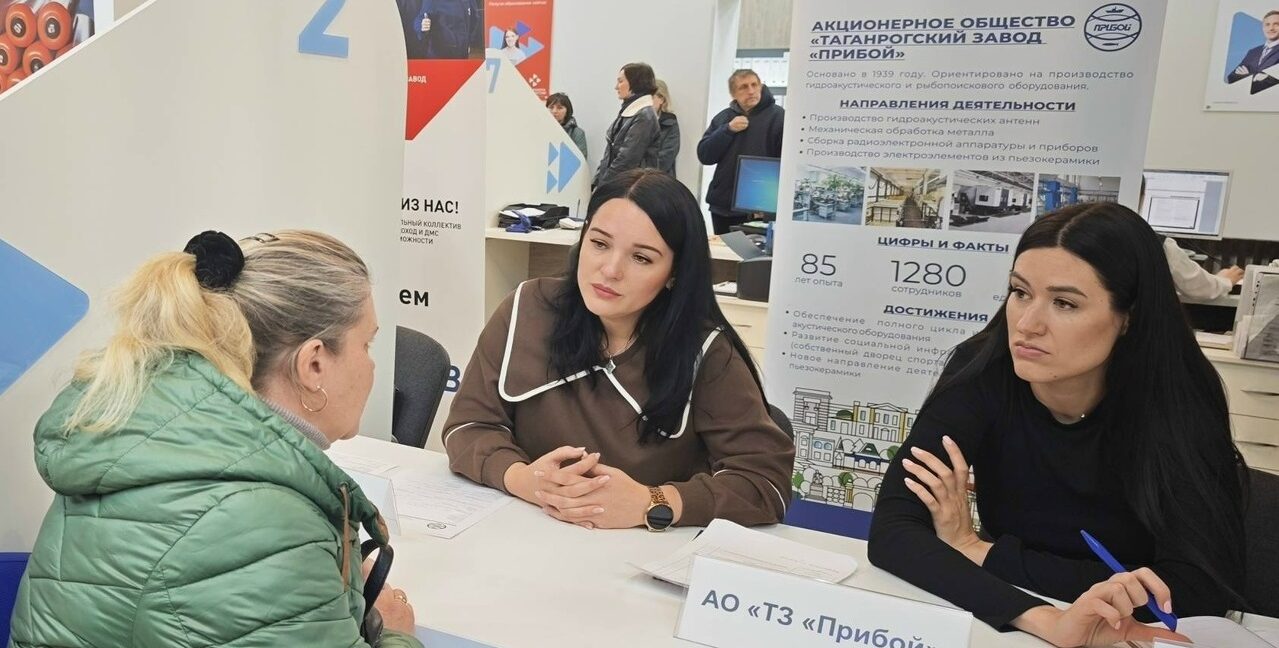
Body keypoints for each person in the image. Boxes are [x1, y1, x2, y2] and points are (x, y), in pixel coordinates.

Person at [7, 231, 422, 648]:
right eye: (366, 344)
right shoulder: (264, 527)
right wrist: (395, 632)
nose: (372, 366)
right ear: (313, 364)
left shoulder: (159, 438)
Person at [868, 203, 1249, 647]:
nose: (1027, 325)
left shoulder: (1178, 396)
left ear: (1128, 317)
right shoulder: (985, 366)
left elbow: (1199, 588)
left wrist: (979, 552)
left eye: (1064, 303)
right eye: (1020, 292)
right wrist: (1046, 619)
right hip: (1024, 622)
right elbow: (893, 531)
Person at [443, 169, 794, 530]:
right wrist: (526, 480)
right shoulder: (528, 308)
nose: (610, 270)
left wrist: (652, 502)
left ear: (674, 273)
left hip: (644, 552)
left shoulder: (706, 352)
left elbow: (766, 484)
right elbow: (468, 426)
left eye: (641, 258)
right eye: (599, 244)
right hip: (525, 534)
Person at [697, 69, 784, 234]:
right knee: (724, 251)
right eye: (743, 87)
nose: (751, 91)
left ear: (761, 87)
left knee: (754, 251)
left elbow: (783, 165)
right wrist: (727, 130)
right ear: (733, 94)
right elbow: (705, 155)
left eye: (754, 85)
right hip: (723, 206)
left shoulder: (779, 117)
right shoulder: (724, 118)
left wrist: (768, 205)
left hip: (758, 209)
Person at [593, 63, 660, 188]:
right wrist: (596, 181)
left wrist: (604, 187)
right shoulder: (629, 111)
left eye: (620, 81)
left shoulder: (644, 116)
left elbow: (627, 160)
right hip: (618, 184)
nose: (616, 87)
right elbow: (609, 155)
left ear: (635, 83)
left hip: (632, 188)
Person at [1227, 10, 1279, 94]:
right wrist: (1256, 77)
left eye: (1276, 24)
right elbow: (1231, 77)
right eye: (1267, 24)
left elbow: (1275, 84)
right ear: (1263, 28)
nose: (1271, 28)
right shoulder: (1253, 52)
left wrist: (1247, 75)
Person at [547, 91, 588, 158]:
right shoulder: (541, 130)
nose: (554, 111)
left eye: (559, 108)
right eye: (551, 107)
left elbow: (580, 160)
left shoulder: (577, 133)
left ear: (567, 111)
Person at [653, 79, 680, 176]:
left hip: (661, 179)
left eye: (651, 97)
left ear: (662, 99)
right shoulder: (637, 121)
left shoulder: (670, 122)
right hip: (636, 179)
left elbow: (667, 157)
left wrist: (643, 170)